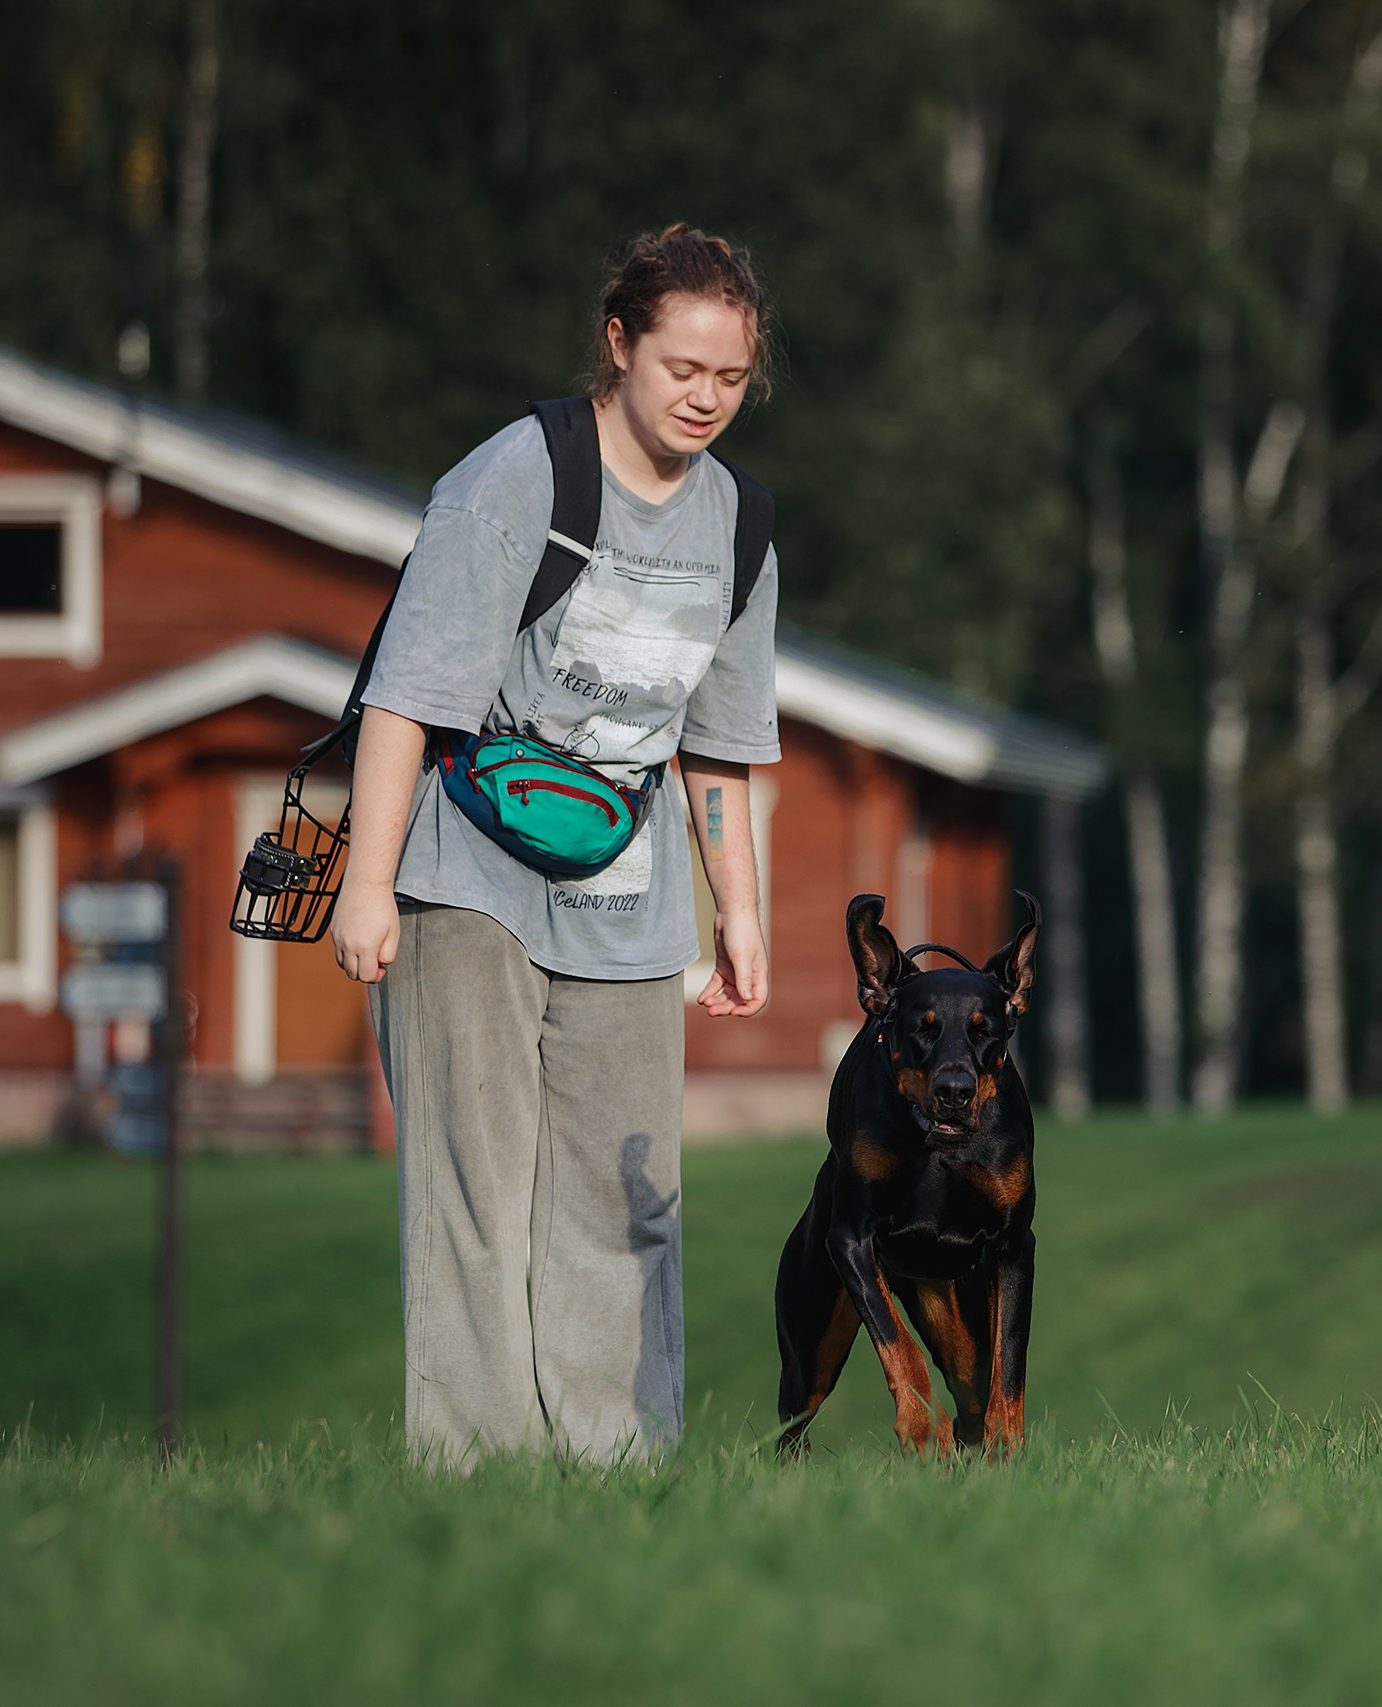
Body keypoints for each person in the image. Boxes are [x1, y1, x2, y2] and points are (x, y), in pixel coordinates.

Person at [330, 224, 779, 1471]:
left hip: (631, 900)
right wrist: (369, 887)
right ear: (619, 345)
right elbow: (406, 697)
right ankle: (474, 1474)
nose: (704, 398)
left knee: (624, 1202)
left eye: (730, 378)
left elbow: (723, 743)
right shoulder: (515, 477)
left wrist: (739, 911)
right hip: (460, 875)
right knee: (479, 1196)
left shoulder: (738, 524)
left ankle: (620, 1471)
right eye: (681, 368)